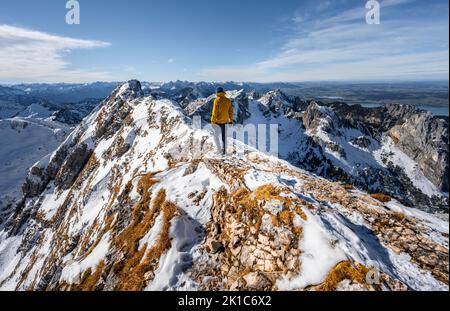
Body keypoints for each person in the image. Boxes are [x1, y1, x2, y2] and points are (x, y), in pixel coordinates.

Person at [211, 87, 233, 155]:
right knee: (224, 137)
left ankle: (219, 150)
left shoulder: (216, 100)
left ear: (217, 92)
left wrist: (212, 121)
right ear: (223, 92)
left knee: (216, 137)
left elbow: (214, 113)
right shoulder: (228, 100)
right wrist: (231, 120)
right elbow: (231, 111)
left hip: (218, 122)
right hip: (226, 122)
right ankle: (224, 151)